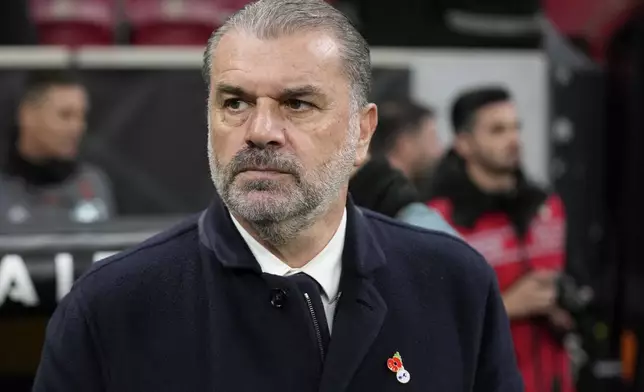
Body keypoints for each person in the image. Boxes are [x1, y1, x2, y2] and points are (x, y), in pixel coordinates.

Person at [33, 1, 522, 391]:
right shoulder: (109, 310)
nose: (260, 131)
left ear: (362, 134)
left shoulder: (455, 286)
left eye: (297, 103)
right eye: (236, 102)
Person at [427, 86, 573, 392]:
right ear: (464, 144)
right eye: (497, 130)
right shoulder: (438, 220)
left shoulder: (548, 208)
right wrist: (508, 306)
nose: (514, 139)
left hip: (554, 380)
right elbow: (429, 324)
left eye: (516, 127)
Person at [0, 70, 115, 226]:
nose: (77, 128)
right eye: (65, 115)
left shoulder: (93, 184)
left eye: (82, 116)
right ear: (27, 114)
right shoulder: (5, 187)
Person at [349, 99, 457, 234]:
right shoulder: (405, 212)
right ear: (405, 144)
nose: (439, 150)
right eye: (432, 137)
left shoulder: (354, 195)